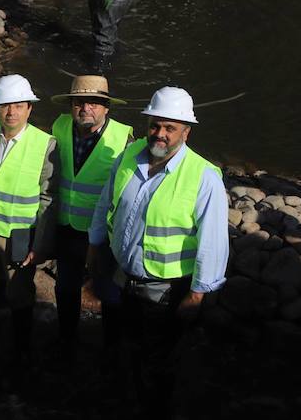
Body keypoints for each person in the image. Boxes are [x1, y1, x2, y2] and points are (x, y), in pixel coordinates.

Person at [88, 86, 229, 418]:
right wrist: (95, 245)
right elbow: (105, 202)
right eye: (155, 125)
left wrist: (197, 293)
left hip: (164, 289)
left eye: (170, 128)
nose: (160, 134)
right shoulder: (129, 156)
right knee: (126, 345)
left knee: (159, 358)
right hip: (122, 275)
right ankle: (125, 398)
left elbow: (213, 241)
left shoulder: (203, 177)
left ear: (186, 131)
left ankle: (155, 408)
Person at [0, 75, 58, 366]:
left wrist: (39, 243)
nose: (12, 112)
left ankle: (20, 350)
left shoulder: (44, 144)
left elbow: (47, 199)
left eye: (19, 106)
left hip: (19, 235)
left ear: (29, 109)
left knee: (19, 293)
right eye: (6, 105)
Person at [50, 75, 132, 366]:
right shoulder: (59, 127)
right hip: (67, 226)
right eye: (79, 102)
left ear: (106, 107)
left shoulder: (125, 139)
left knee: (108, 291)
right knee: (66, 286)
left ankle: (111, 348)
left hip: (104, 234)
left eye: (94, 102)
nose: (86, 108)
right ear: (71, 105)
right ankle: (66, 339)